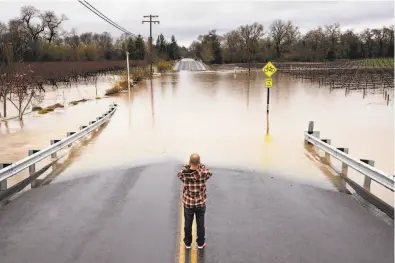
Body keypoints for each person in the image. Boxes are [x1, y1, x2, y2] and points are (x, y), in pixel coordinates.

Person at [177, 153, 212, 249]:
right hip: (200, 203)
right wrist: (201, 166)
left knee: (188, 223)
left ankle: (187, 243)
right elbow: (209, 172)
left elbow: (179, 173)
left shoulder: (184, 174)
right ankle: (200, 243)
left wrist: (188, 166)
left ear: (189, 161)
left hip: (189, 203)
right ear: (199, 162)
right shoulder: (204, 174)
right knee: (200, 224)